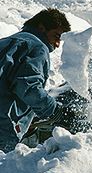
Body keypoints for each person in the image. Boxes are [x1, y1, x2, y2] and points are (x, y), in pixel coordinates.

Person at [0, 8, 71, 153]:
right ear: (41, 27)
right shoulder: (37, 47)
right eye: (56, 36)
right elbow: (28, 86)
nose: (57, 44)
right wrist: (54, 110)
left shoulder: (6, 42)